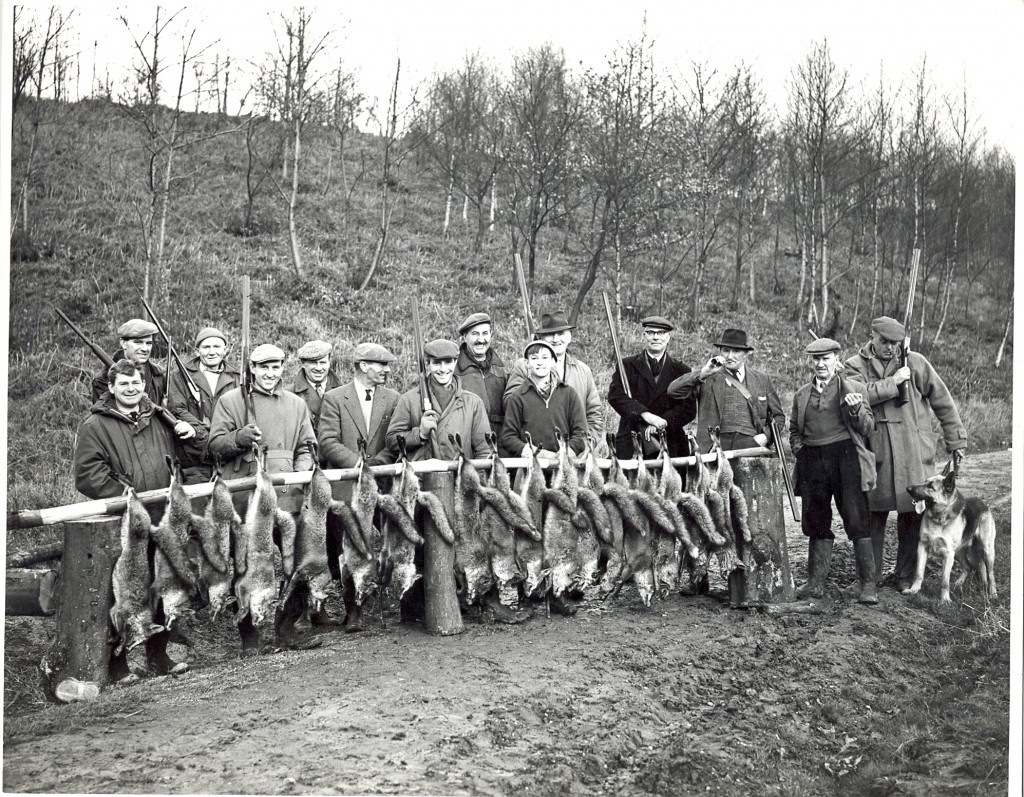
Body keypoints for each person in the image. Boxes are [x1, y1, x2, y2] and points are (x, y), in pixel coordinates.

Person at [74, 359, 197, 676]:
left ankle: (159, 655)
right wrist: (126, 496)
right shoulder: (95, 425)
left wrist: (188, 432)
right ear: (112, 387)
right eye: (124, 384)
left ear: (144, 385)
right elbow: (88, 476)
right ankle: (117, 666)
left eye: (137, 383)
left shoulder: (157, 417)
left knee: (160, 587)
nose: (131, 389)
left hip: (161, 519)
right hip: (126, 522)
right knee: (123, 594)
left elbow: (187, 454)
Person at [208, 343, 318, 653]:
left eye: (276, 366)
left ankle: (288, 630)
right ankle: (251, 638)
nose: (270, 373)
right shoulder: (231, 401)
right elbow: (214, 446)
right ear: (252, 369)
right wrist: (238, 438)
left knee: (295, 564)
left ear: (283, 368)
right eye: (263, 367)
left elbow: (307, 447)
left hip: (287, 497)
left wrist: (297, 476)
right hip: (247, 499)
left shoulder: (296, 404)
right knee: (248, 566)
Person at [844, 316, 968, 588]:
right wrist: (894, 381)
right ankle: (870, 577)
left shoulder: (916, 362)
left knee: (912, 516)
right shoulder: (855, 365)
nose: (890, 347)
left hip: (914, 451)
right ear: (872, 336)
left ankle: (905, 575)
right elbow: (856, 393)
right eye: (884, 341)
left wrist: (956, 440)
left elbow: (942, 401)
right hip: (876, 451)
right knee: (872, 515)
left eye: (895, 343)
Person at [319, 342, 401, 633]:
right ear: (363, 366)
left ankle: (393, 600)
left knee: (393, 542)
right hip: (347, 488)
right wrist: (357, 464)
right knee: (348, 548)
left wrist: (377, 465)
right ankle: (353, 609)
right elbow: (327, 441)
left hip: (382, 484)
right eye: (381, 365)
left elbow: (395, 438)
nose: (387, 370)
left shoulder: (393, 399)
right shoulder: (334, 398)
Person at [789, 337, 878, 605]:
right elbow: (794, 429)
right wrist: (798, 449)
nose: (820, 364)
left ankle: (868, 586)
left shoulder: (855, 388)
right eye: (815, 359)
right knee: (815, 520)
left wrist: (855, 410)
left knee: (856, 518)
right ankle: (815, 583)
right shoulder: (802, 394)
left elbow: (868, 428)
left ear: (837, 359)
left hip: (845, 457)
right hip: (812, 459)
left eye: (826, 358)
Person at [667, 328, 785, 454]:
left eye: (736, 351)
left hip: (751, 445)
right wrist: (704, 372)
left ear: (745, 353)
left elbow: (778, 417)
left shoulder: (762, 380)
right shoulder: (707, 378)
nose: (730, 356)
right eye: (726, 351)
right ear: (720, 352)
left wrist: (766, 436)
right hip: (714, 446)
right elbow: (673, 391)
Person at [503, 310, 604, 442]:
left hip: (575, 453)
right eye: (550, 334)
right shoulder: (523, 366)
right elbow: (509, 405)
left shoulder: (583, 371)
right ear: (540, 339)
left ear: (569, 337)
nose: (556, 339)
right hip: (536, 450)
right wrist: (534, 381)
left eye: (561, 334)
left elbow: (594, 414)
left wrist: (583, 445)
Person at [386, 339, 491, 462]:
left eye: (448, 362)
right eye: (436, 363)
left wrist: (474, 479)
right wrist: (420, 434)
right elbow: (391, 441)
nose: (442, 369)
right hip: (420, 479)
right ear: (428, 364)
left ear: (455, 362)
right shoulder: (409, 399)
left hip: (459, 478)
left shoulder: (473, 403)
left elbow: (484, 450)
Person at [608, 315, 696, 459]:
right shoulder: (626, 366)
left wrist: (662, 423)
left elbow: (689, 409)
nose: (656, 337)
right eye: (651, 333)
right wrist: (645, 415)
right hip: (632, 440)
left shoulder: (682, 370)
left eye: (661, 333)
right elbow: (615, 396)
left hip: (671, 442)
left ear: (668, 338)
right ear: (644, 336)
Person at [165, 327, 241, 483]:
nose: (212, 352)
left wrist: (224, 440)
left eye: (217, 347)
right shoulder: (180, 376)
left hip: (229, 458)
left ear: (225, 350)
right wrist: (202, 433)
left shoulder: (237, 377)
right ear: (197, 350)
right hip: (194, 457)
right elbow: (177, 410)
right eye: (206, 347)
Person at [500, 340, 588, 460]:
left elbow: (581, 433)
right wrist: (533, 452)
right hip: (530, 466)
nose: (540, 363)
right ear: (527, 363)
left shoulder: (569, 394)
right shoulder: (518, 397)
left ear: (553, 361)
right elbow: (508, 436)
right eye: (534, 358)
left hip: (563, 465)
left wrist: (567, 452)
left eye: (545, 357)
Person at [90, 319, 167, 404]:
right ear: (123, 343)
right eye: (138, 342)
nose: (145, 349)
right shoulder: (103, 380)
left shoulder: (160, 374)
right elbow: (105, 413)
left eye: (148, 343)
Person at [454, 312, 508, 433]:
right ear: (464, 337)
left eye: (485, 333)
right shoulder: (453, 372)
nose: (481, 340)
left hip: (499, 444)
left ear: (491, 335)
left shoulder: (501, 370)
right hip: (468, 442)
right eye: (475, 334)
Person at [291, 339, 341, 435]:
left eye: (322, 362)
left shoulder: (344, 392)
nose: (318, 368)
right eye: (313, 363)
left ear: (329, 362)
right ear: (303, 364)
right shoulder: (290, 394)